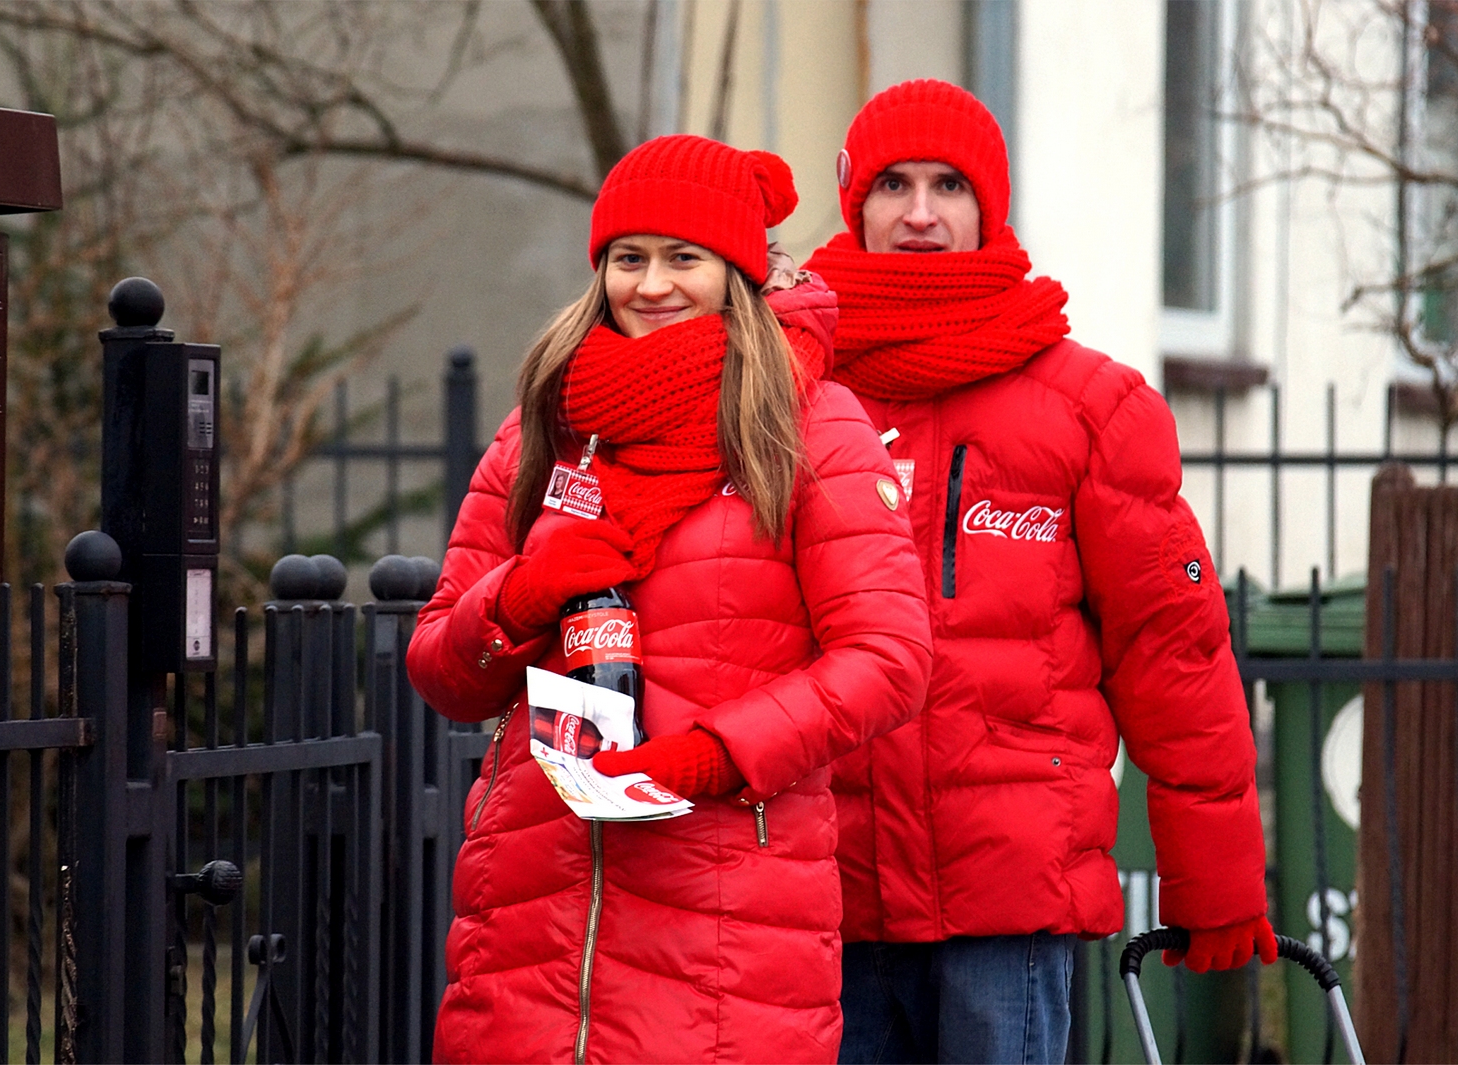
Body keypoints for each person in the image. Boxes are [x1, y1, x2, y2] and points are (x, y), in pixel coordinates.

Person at [406, 133, 933, 1064]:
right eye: (629, 258)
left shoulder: (809, 427)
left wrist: (715, 754)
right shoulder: (545, 425)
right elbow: (445, 669)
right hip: (532, 911)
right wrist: (518, 595)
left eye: (684, 258)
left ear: (736, 273)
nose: (652, 285)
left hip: (725, 916)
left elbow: (887, 660)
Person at [802, 80, 1274, 1064]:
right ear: (855, 203)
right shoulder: (785, 397)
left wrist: (1214, 882)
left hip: (1007, 903)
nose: (921, 212)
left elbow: (1172, 655)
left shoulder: (1088, 407)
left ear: (988, 207)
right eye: (893, 184)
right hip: (824, 890)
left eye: (948, 186)